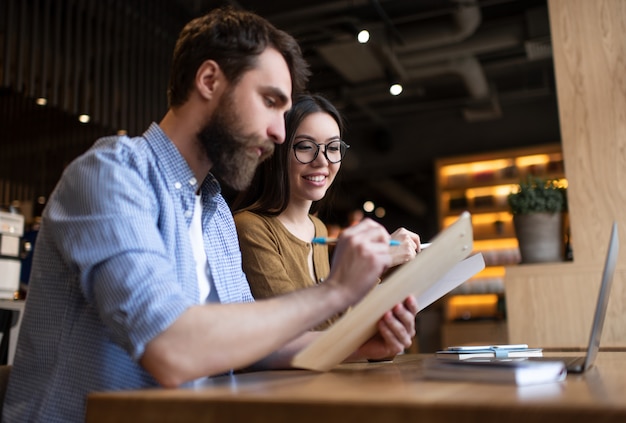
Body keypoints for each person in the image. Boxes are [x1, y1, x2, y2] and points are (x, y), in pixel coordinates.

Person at [2, 7, 417, 423]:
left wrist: (359, 344)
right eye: (270, 102)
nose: (278, 132)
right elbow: (170, 347)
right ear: (209, 81)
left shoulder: (214, 209)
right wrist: (336, 291)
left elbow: (257, 348)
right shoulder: (109, 175)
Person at [233, 94, 422, 329]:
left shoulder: (317, 227)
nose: (322, 161)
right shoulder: (250, 227)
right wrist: (375, 264)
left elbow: (339, 322)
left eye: (333, 147)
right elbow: (295, 331)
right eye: (305, 147)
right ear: (276, 152)